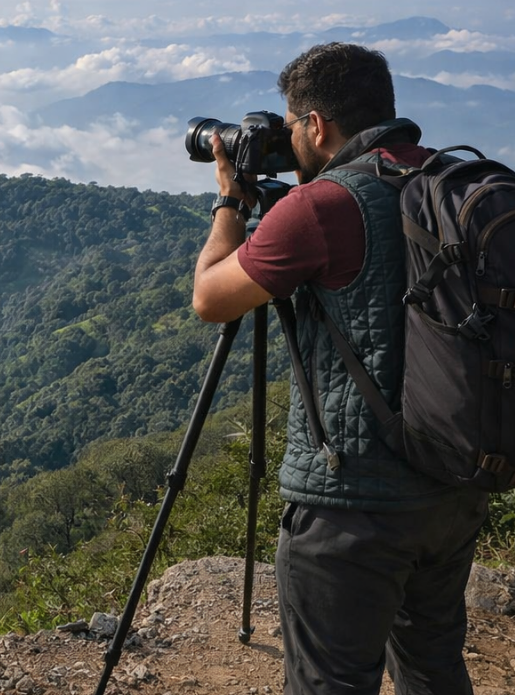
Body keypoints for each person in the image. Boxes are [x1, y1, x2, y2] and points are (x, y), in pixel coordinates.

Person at [191, 42, 488, 695]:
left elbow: (210, 298)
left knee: (331, 682)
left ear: (317, 125)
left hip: (353, 509)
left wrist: (231, 203)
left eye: (293, 126)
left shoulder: (319, 209)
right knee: (433, 667)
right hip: (454, 485)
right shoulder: (451, 180)